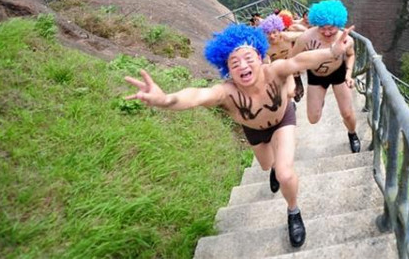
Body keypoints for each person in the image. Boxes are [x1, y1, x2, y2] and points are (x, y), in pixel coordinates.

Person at [124, 22, 353, 248]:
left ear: (260, 57)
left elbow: (298, 61)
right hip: (253, 129)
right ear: (227, 69)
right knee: (267, 166)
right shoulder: (226, 92)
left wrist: (332, 51)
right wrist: (165, 100)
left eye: (248, 58)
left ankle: (293, 211)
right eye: (235, 63)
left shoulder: (274, 71)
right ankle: (272, 168)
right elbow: (197, 96)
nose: (243, 66)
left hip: (283, 119)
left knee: (285, 173)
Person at [289, 0, 360, 153]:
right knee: (313, 118)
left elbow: (351, 55)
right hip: (316, 75)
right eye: (323, 28)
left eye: (331, 28)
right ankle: (319, 101)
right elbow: (291, 59)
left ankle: (352, 133)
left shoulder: (346, 39)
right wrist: (296, 79)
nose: (327, 32)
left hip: (339, 73)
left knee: (347, 113)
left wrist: (348, 74)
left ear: (338, 23)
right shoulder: (306, 38)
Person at [261, 14, 305, 101]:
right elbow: (267, 65)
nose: (272, 36)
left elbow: (305, 35)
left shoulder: (287, 37)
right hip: (279, 71)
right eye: (269, 33)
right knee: (286, 93)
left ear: (279, 30)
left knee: (298, 94)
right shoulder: (266, 47)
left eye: (274, 32)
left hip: (293, 68)